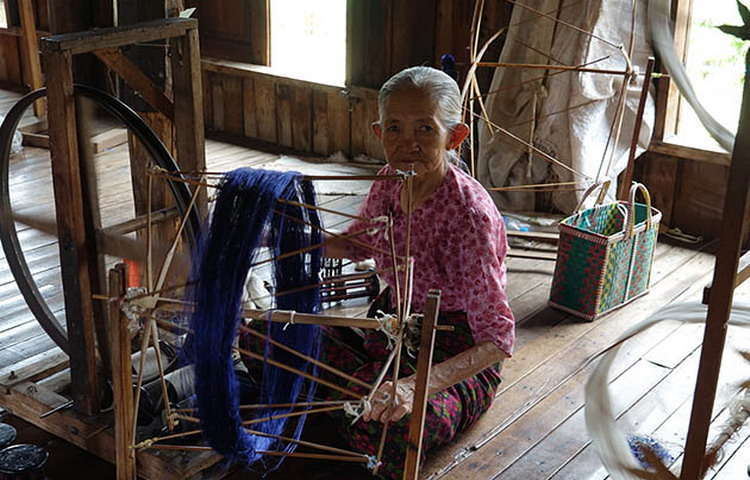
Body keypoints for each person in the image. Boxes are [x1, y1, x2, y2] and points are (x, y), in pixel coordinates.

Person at [322, 66, 515, 479]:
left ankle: (357, 399)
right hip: (391, 331)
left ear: (455, 136)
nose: (407, 143)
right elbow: (360, 243)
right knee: (270, 335)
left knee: (396, 428)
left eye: (425, 129)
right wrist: (283, 236)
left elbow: (498, 338)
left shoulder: (468, 216)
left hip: (453, 354)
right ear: (379, 133)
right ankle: (361, 395)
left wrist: (414, 385)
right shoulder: (391, 179)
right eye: (394, 128)